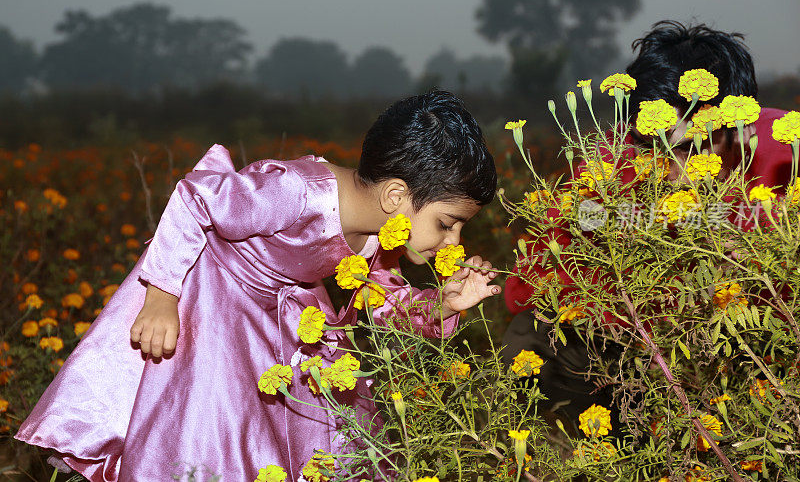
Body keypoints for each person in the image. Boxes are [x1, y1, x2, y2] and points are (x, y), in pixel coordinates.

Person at [16, 90, 501, 482]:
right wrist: (162, 297)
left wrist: (441, 303)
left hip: (278, 313)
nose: (452, 240)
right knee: (213, 436)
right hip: (216, 303)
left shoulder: (378, 232)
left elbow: (379, 297)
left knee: (326, 429)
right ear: (397, 195)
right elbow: (195, 199)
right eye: (448, 223)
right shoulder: (296, 192)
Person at [502, 20, 794, 431]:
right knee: (533, 337)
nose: (672, 172)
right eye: (653, 145)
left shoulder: (786, 153)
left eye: (694, 147)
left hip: (753, 350)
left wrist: (751, 252)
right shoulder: (609, 163)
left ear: (742, 129)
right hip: (630, 348)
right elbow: (527, 289)